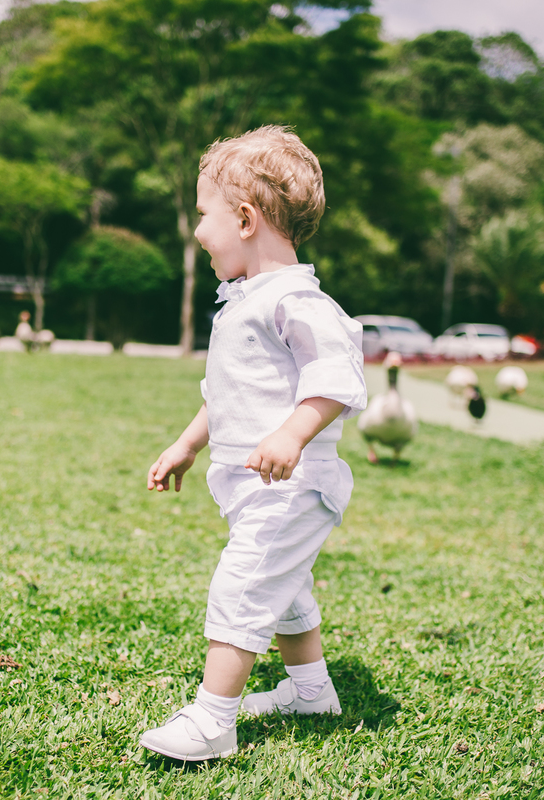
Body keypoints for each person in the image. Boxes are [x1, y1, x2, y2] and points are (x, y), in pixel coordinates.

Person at [142, 126, 367, 762]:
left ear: (245, 220)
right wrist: (187, 444)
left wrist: (294, 432)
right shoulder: (245, 302)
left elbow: (337, 378)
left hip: (293, 487)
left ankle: (214, 719)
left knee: (241, 587)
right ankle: (312, 690)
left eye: (202, 215)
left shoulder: (298, 300)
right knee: (286, 589)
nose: (196, 231)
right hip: (254, 487)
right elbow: (226, 394)